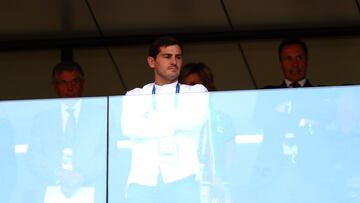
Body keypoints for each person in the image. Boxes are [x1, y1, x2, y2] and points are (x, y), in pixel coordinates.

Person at [121, 36, 209, 203]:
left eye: (178, 57)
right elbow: (130, 128)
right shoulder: (135, 95)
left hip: (184, 178)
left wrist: (150, 119)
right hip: (142, 180)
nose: (174, 61)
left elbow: (192, 121)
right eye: (167, 56)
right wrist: (176, 122)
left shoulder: (196, 92)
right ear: (152, 62)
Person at [27, 61, 106, 203]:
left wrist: (81, 175)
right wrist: (58, 173)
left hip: (91, 189)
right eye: (63, 82)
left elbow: (107, 152)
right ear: (55, 85)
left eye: (74, 82)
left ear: (82, 83)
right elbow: (34, 156)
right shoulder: (42, 119)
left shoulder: (101, 115)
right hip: (51, 190)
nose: (70, 88)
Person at [179, 62, 236, 202]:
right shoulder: (175, 121)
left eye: (193, 85)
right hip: (183, 189)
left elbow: (230, 162)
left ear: (208, 87)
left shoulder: (223, 120)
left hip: (215, 190)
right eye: (185, 86)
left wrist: (221, 181)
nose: (189, 91)